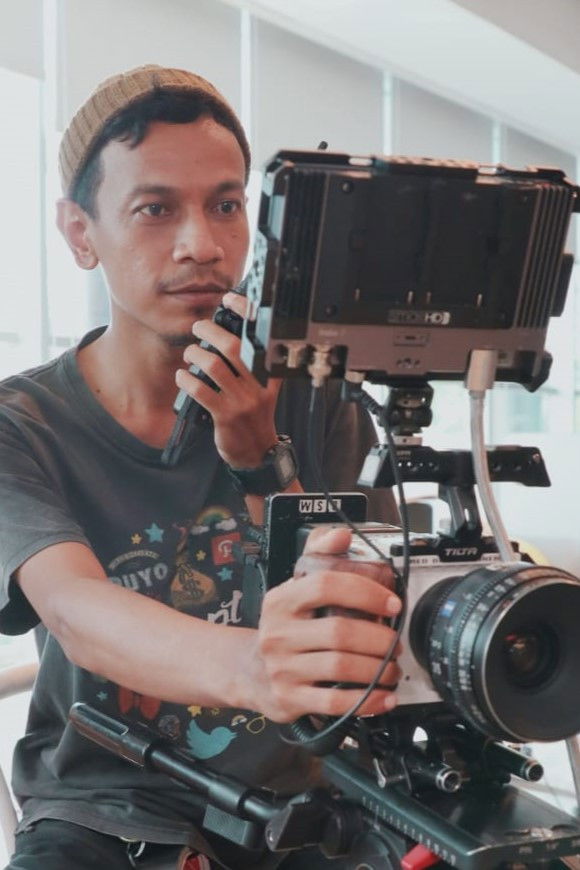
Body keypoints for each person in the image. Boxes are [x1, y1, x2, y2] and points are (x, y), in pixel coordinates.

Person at [0, 65, 400, 869]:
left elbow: (366, 615)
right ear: (80, 233)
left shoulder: (323, 403)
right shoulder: (24, 425)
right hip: (104, 810)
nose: (203, 246)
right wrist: (252, 667)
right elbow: (75, 610)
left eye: (225, 205)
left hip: (305, 810)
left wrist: (262, 466)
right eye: (155, 209)